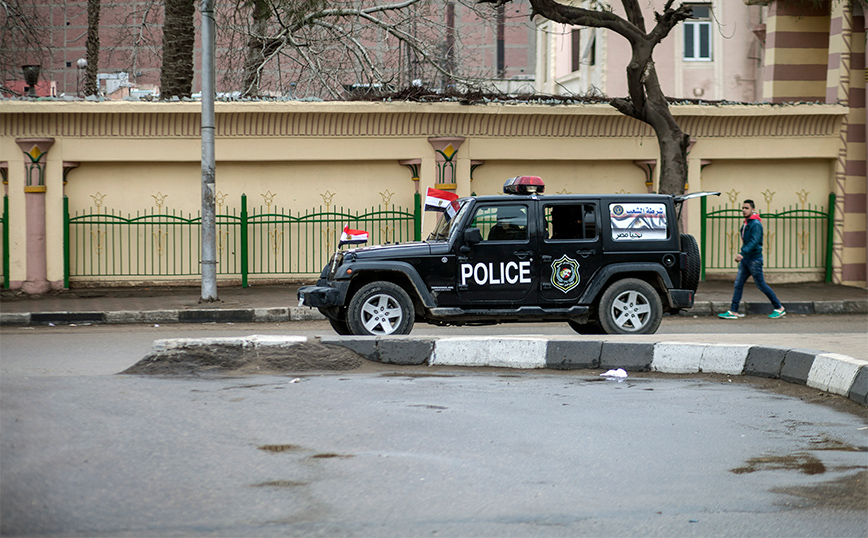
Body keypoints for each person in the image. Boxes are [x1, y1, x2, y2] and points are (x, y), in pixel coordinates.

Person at [718, 199, 786, 320]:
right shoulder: (747, 222)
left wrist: (742, 253)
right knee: (738, 284)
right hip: (746, 260)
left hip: (754, 260)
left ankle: (779, 308)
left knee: (761, 285)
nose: (744, 210)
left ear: (752, 209)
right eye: (742, 208)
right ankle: (733, 311)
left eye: (746, 208)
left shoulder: (755, 224)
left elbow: (755, 241)